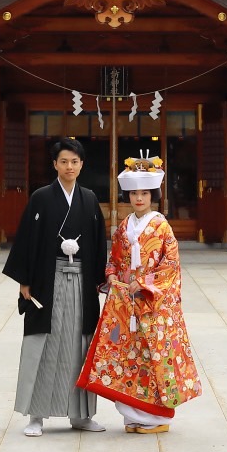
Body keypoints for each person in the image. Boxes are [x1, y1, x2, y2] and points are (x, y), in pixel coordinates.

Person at [77, 153, 203, 433]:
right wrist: (110, 274)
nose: (138, 199)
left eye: (144, 193)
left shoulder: (161, 226)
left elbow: (170, 265)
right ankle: (134, 415)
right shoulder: (124, 226)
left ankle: (157, 417)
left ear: (153, 195)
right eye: (134, 193)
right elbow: (116, 258)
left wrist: (145, 283)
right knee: (130, 357)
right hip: (126, 304)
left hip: (153, 305)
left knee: (152, 357)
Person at [3, 137, 108, 437]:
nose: (69, 166)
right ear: (54, 164)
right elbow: (26, 239)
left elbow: (99, 243)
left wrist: (101, 279)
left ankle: (82, 415)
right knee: (44, 345)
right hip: (47, 282)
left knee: (81, 344)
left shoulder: (88, 199)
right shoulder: (40, 198)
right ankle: (36, 415)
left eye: (75, 162)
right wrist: (25, 280)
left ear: (82, 165)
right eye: (64, 161)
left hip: (82, 282)